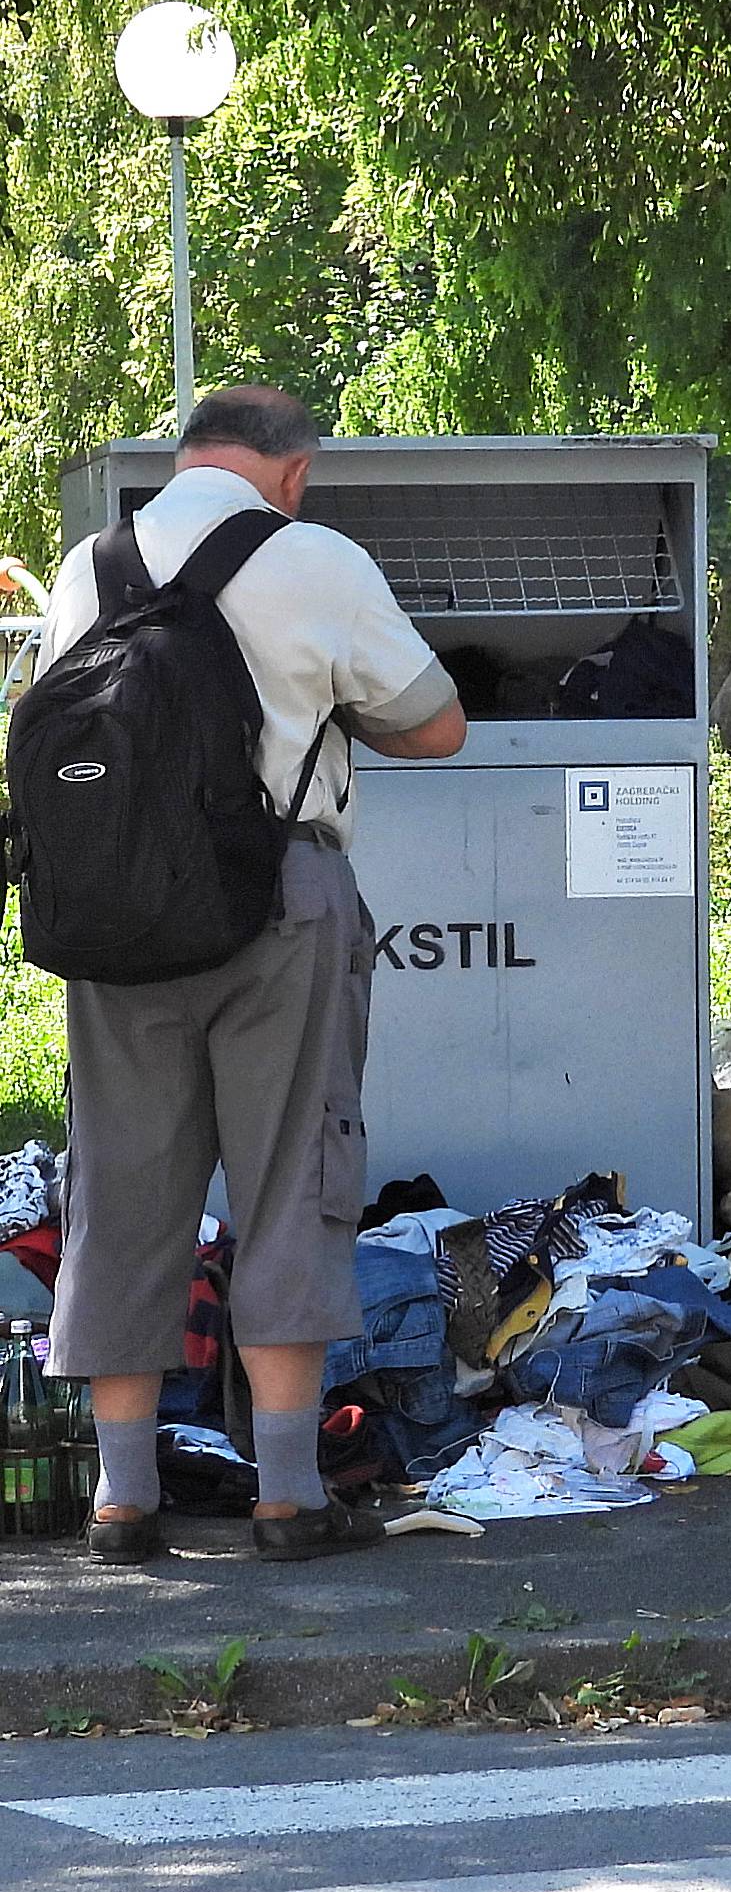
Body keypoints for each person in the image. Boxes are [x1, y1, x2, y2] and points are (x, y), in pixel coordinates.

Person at [38, 386, 467, 1563]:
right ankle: (289, 1501)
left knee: (120, 1190)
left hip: (115, 914)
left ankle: (122, 1505)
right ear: (293, 472)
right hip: (278, 901)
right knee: (291, 1176)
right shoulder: (314, 555)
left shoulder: (90, 567)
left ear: (184, 461)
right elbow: (439, 728)